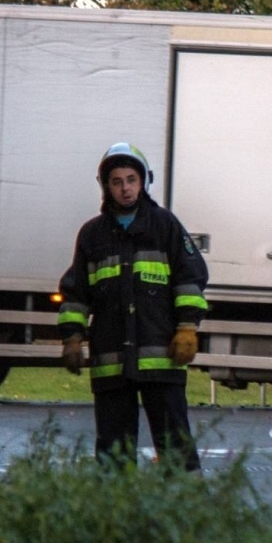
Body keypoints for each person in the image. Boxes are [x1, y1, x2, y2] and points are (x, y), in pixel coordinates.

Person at [58, 143, 209, 473]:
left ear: (143, 182)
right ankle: (116, 517)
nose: (125, 188)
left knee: (175, 445)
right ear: (106, 186)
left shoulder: (165, 225)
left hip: (161, 356)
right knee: (113, 451)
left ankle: (186, 511)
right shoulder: (92, 235)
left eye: (131, 179)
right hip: (111, 361)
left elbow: (191, 277)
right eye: (116, 181)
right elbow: (76, 291)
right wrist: (72, 337)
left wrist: (187, 328)